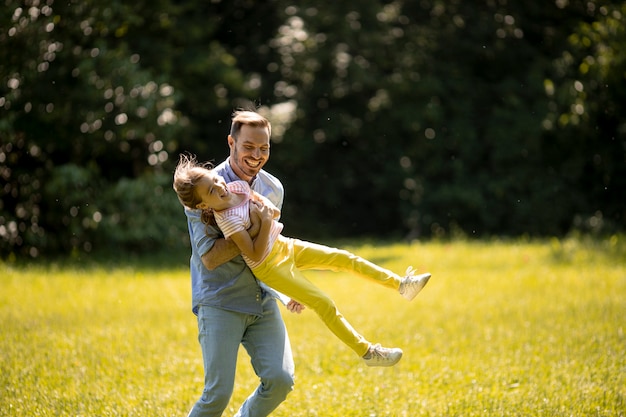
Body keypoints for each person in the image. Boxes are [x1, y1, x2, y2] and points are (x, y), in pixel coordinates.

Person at [173, 151, 432, 368]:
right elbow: (253, 252)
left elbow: (269, 210)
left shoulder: (237, 186)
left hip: (285, 245)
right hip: (269, 265)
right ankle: (368, 352)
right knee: (323, 303)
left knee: (343, 258)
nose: (219, 185)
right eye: (210, 190)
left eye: (215, 179)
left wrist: (264, 217)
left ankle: (401, 284)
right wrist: (262, 222)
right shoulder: (225, 219)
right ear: (203, 206)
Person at [180, 111, 300, 417]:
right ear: (232, 142)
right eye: (248, 147)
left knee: (281, 380)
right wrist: (252, 227)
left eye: (264, 148)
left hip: (262, 299)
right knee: (217, 395)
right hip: (221, 300)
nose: (256, 156)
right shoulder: (204, 188)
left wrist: (288, 288)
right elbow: (209, 257)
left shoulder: (273, 188)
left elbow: (268, 250)